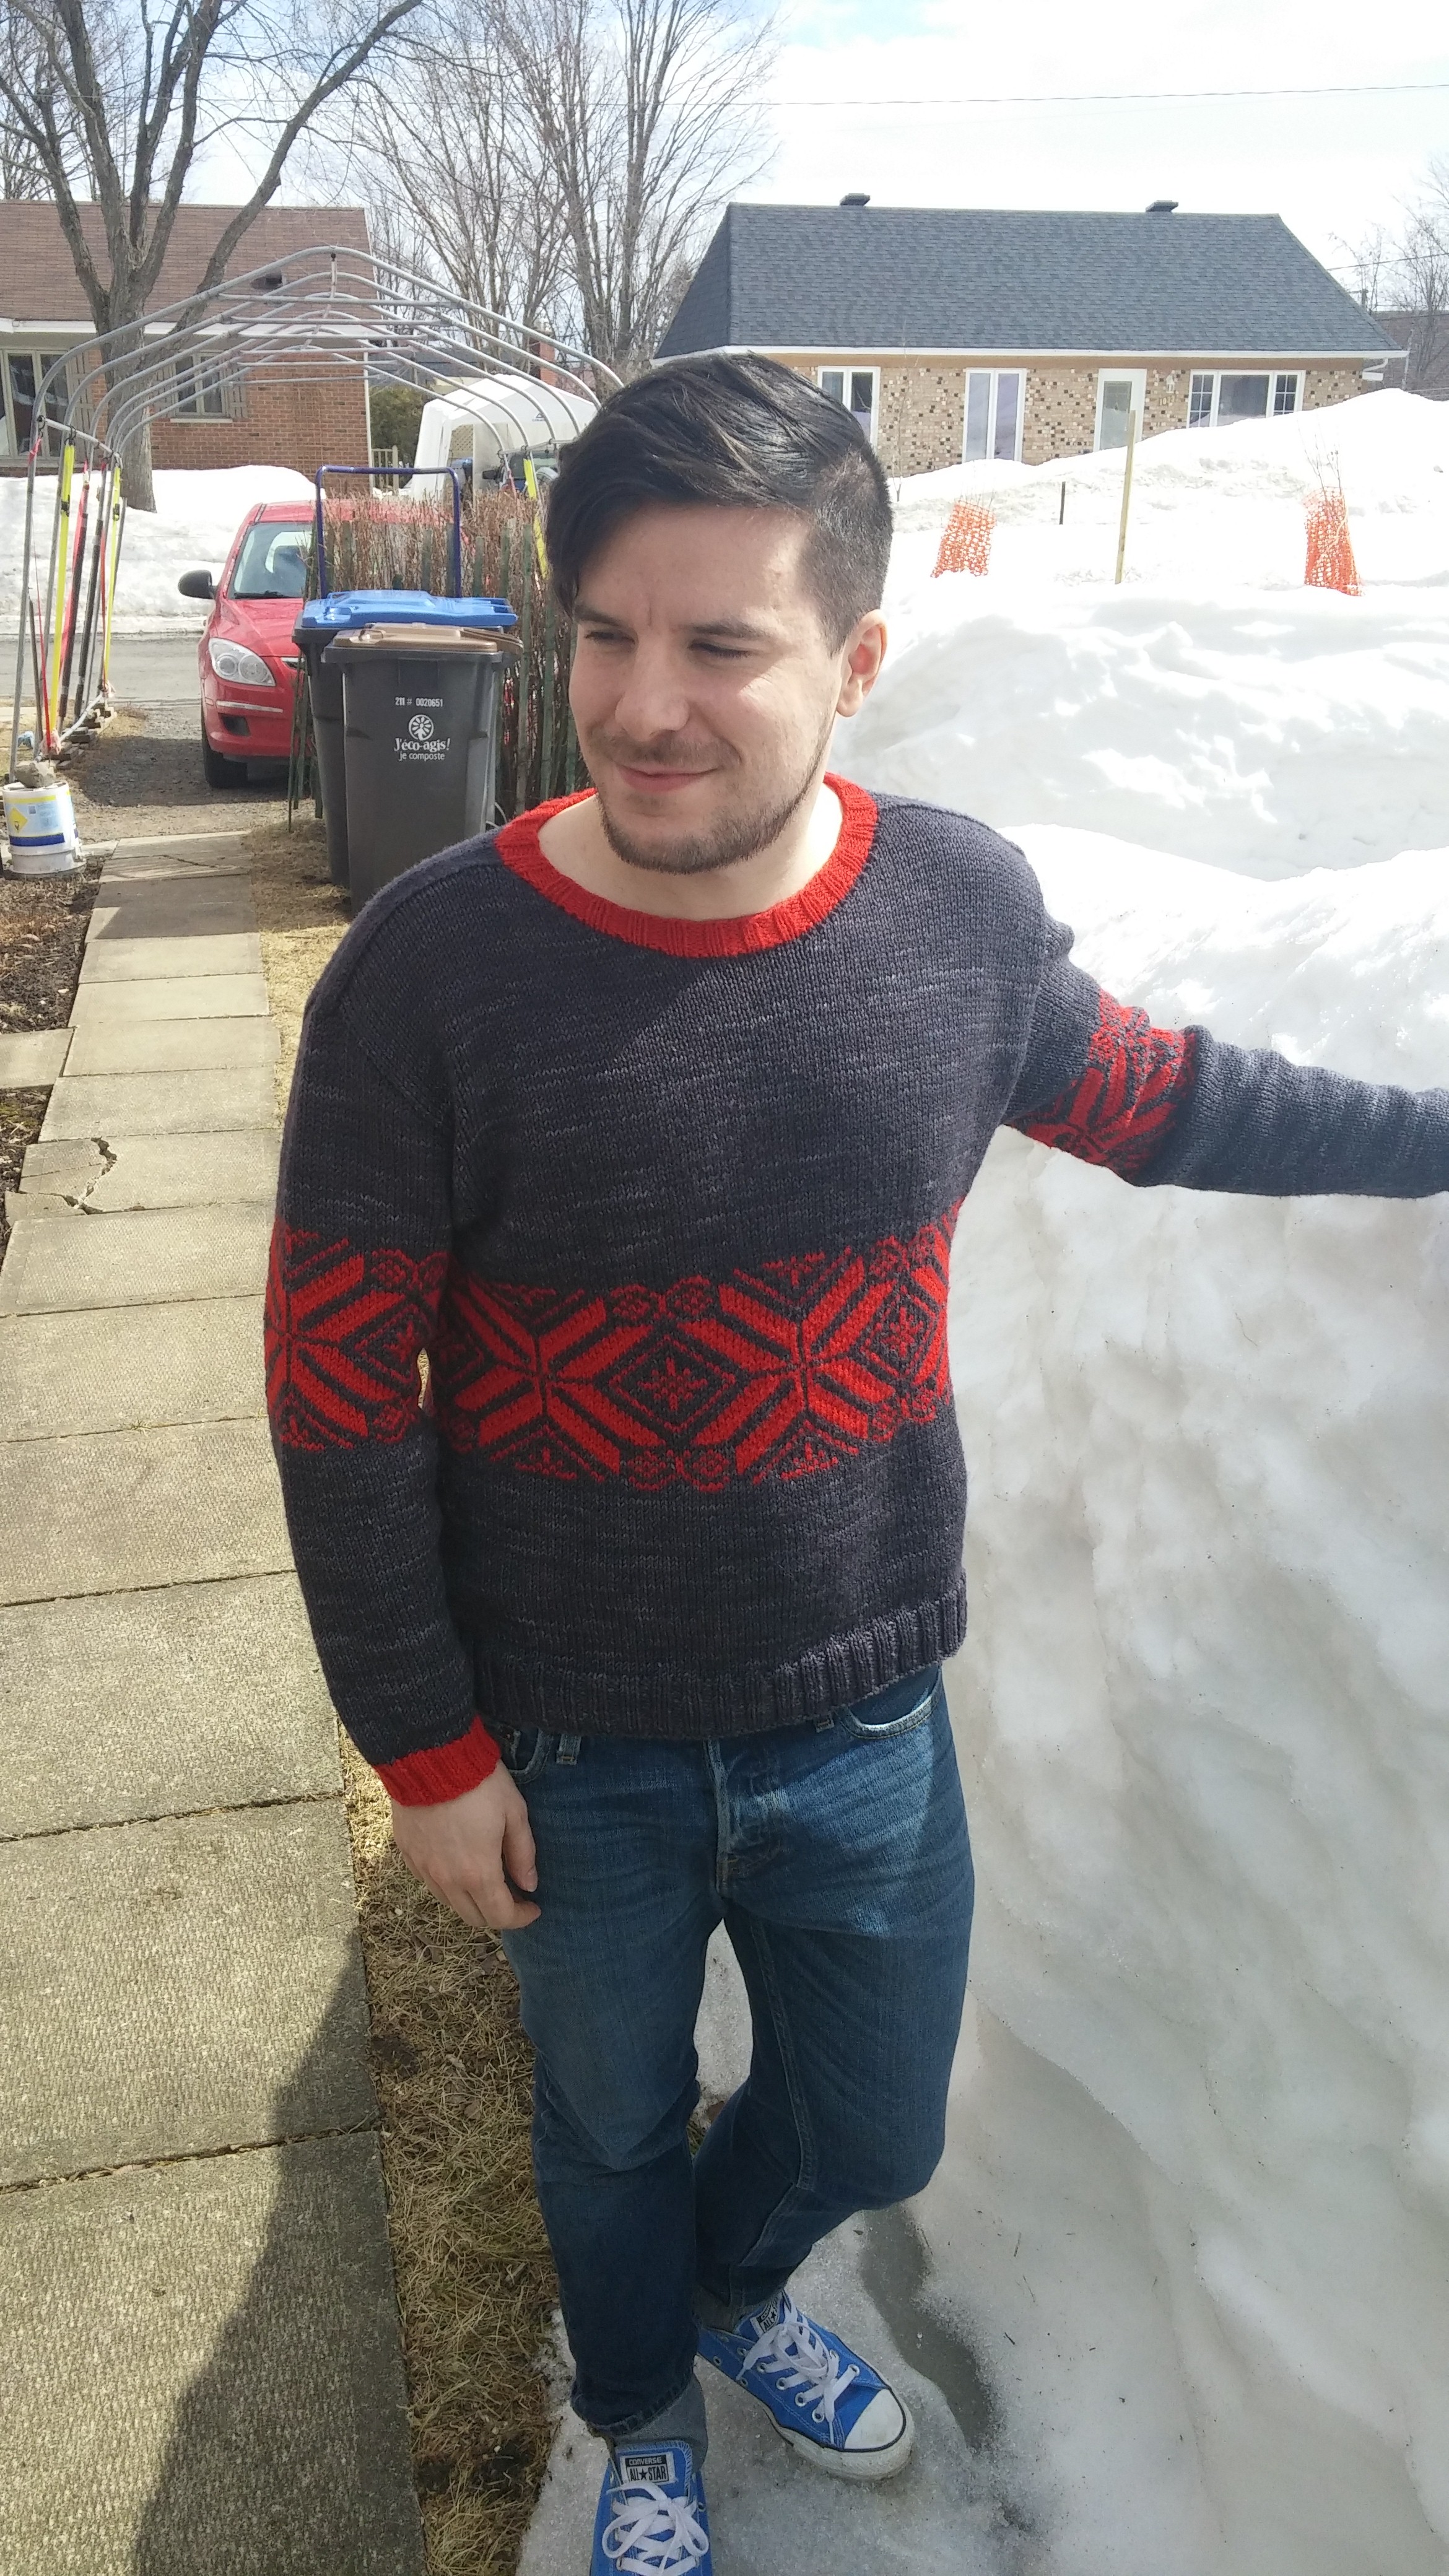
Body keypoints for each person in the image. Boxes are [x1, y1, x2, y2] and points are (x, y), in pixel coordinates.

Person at [266, 354, 1448, 2575]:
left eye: (720, 645)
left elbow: (1165, 1098)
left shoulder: (952, 920)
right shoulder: (434, 975)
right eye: (606, 635)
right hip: (569, 1739)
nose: (644, 708)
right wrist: (423, 1747)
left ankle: (725, 2292)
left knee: (877, 2123)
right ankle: (640, 2410)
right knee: (604, 2124)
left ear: (857, 657)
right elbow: (337, 1390)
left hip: (865, 1714)